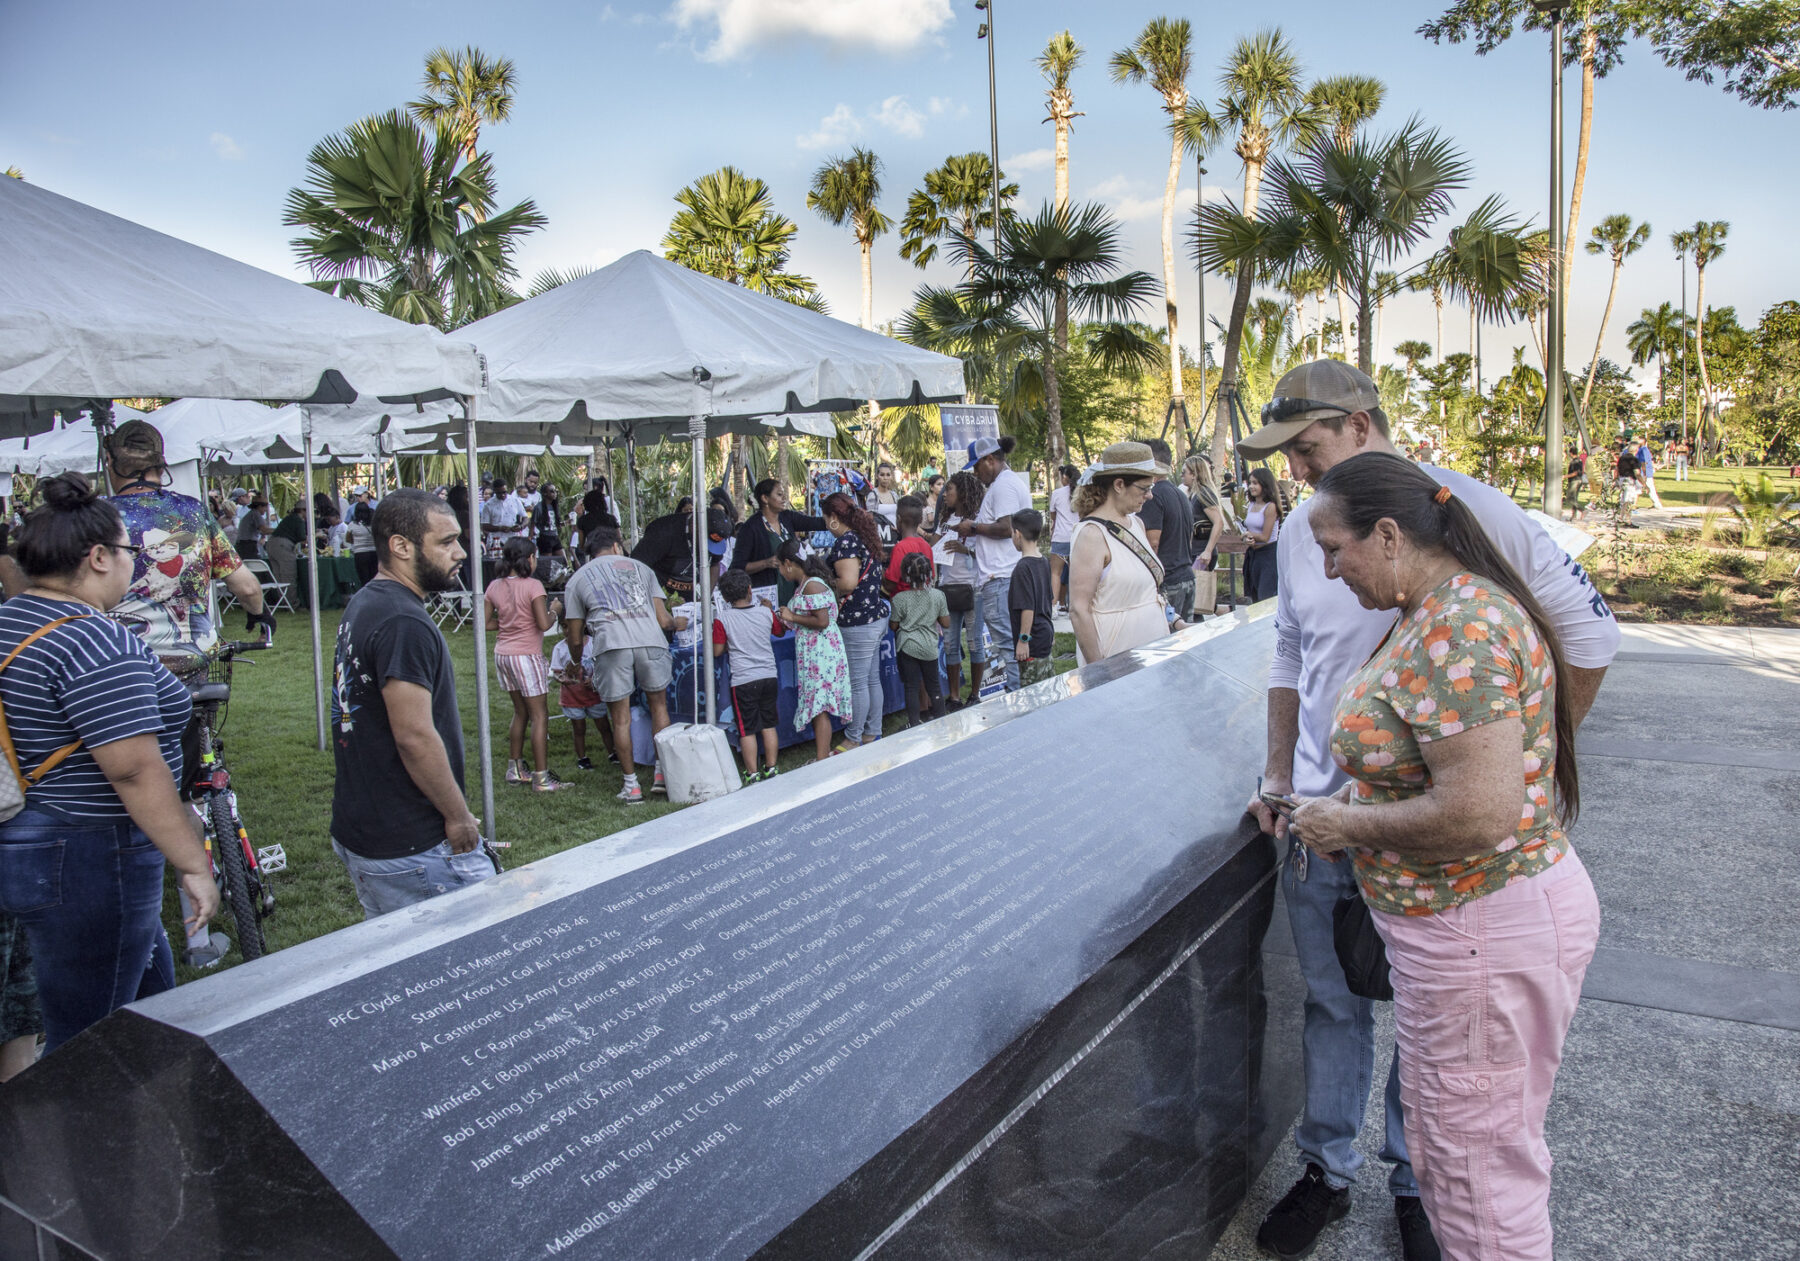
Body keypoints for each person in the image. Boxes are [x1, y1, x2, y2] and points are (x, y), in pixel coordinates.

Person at [1239, 359, 1618, 1261]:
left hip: (1454, 878)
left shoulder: (1465, 537)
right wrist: (1282, 778)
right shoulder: (1318, 529)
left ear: (1362, 425)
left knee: (1456, 1085)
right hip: (1349, 828)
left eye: (1307, 443)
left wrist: (1524, 758)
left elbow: (1588, 634)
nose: (1294, 468)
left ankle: (1415, 1180)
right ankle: (1331, 1170)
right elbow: (1289, 651)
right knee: (1342, 1006)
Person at [0, 473, 217, 1052]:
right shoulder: (95, 639)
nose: (133, 565)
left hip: (35, 839)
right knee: (92, 1041)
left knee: (147, 1010)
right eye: (129, 552)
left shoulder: (12, 620)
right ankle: (89, 1138)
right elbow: (132, 768)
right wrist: (192, 862)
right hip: (94, 849)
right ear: (98, 557)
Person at [331, 490, 495, 918]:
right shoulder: (404, 621)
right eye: (445, 542)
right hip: (412, 840)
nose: (461, 552)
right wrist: (459, 817)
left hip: (370, 826)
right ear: (401, 546)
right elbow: (415, 737)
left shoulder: (368, 602)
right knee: (483, 954)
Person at [2, 419, 278, 655]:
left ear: (109, 461)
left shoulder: (94, 516)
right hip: (191, 657)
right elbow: (247, 588)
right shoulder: (194, 513)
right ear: (162, 465)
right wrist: (259, 613)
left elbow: (41, 591)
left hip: (115, 655)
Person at [563, 527, 676, 804]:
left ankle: (632, 785)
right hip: (650, 640)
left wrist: (576, 661)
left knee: (621, 718)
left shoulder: (577, 579)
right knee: (659, 707)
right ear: (616, 546)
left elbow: (574, 635)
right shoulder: (642, 569)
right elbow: (664, 621)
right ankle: (662, 775)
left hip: (612, 644)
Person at [1067, 442, 1172, 666]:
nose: (1150, 496)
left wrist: (1176, 621)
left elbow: (1148, 590)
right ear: (1119, 485)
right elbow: (1078, 610)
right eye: (1145, 488)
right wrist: (1100, 670)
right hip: (1115, 657)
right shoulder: (1092, 534)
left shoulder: (1137, 524)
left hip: (1153, 652)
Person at [485, 537, 571, 794]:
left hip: (503, 654)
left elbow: (486, 622)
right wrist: (555, 609)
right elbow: (543, 623)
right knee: (539, 715)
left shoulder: (493, 586)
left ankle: (515, 768)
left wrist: (509, 623)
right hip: (526, 656)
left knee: (520, 711)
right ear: (529, 559)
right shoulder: (533, 586)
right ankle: (542, 778)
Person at [956, 435, 1033, 691]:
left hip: (1001, 578)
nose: (976, 473)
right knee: (1010, 645)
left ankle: (1017, 698)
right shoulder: (1005, 484)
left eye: (977, 466)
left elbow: (1006, 527)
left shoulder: (1003, 486)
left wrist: (973, 527)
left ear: (990, 460)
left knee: (1008, 646)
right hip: (1002, 576)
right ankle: (1021, 694)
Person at [821, 491, 889, 752]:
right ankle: (872, 732)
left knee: (858, 682)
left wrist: (826, 584)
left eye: (826, 519)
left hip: (858, 622)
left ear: (835, 518)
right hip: (874, 617)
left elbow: (848, 583)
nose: (826, 525)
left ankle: (853, 737)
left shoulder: (846, 543)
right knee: (871, 679)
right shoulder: (864, 537)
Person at [775, 538, 852, 762]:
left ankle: (821, 760)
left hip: (821, 653)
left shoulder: (812, 585)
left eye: (780, 566)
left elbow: (822, 620)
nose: (780, 572)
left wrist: (791, 616)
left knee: (820, 708)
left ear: (788, 563)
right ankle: (822, 757)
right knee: (819, 707)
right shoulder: (805, 584)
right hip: (815, 652)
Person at [713, 569, 781, 783]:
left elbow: (717, 650)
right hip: (769, 674)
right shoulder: (765, 613)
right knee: (769, 723)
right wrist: (770, 610)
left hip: (743, 679)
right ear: (750, 590)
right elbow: (779, 632)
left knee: (747, 729)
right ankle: (771, 767)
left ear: (724, 598)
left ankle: (752, 772)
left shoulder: (723, 618)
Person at [930, 470, 985, 708]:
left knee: (974, 641)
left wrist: (967, 550)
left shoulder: (978, 521)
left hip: (973, 588)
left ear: (962, 493)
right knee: (951, 643)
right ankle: (954, 696)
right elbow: (933, 548)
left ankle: (975, 693)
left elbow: (986, 554)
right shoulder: (945, 520)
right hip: (947, 588)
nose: (945, 494)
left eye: (949, 490)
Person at [729, 478, 826, 604]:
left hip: (793, 591)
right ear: (765, 498)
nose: (784, 498)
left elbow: (816, 523)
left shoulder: (787, 517)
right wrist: (766, 563)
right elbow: (737, 566)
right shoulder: (750, 528)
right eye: (779, 494)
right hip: (767, 595)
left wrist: (838, 517)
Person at [1140, 439, 1197, 621]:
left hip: (1168, 582)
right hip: (1187, 577)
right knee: (1184, 641)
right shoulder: (1180, 494)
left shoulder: (1153, 496)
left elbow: (1152, 544)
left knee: (1165, 643)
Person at [889, 553, 948, 726]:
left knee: (911, 687)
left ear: (905, 575)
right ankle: (942, 720)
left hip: (908, 647)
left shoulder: (899, 599)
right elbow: (946, 622)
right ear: (930, 573)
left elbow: (894, 626)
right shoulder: (937, 596)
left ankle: (914, 723)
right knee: (934, 686)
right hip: (930, 647)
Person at [1008, 508, 1055, 674]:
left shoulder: (1023, 568)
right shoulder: (1043, 561)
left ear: (1018, 534)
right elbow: (1049, 599)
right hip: (1045, 634)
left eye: (1012, 533)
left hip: (1032, 643)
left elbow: (1027, 608)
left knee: (1033, 694)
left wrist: (1023, 640)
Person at [1183, 454, 1227, 617]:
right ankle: (1220, 611)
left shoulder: (1203, 494)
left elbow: (1219, 522)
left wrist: (1208, 550)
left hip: (1201, 552)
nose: (1182, 476)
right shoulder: (1193, 495)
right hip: (1195, 551)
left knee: (1197, 602)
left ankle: (1222, 612)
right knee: (1196, 603)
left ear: (1194, 474)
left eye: (1185, 472)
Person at [1243, 467, 1284, 603]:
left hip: (1267, 555)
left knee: (1265, 597)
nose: (1251, 486)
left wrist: (1250, 534)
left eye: (1255, 483)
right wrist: (1245, 537)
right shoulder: (1251, 505)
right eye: (1250, 483)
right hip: (1253, 553)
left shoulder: (1270, 507)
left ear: (1264, 484)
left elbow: (1265, 536)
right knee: (1253, 595)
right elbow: (1249, 530)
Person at [882, 495, 934, 596]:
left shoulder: (900, 547)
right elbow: (930, 578)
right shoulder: (926, 546)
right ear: (920, 520)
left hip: (903, 605)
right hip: (923, 602)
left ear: (898, 518)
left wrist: (880, 571)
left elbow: (890, 585)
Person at [1046, 463, 1078, 610]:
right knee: (1076, 573)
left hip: (1060, 537)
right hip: (1078, 537)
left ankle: (1053, 607)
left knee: (1055, 573)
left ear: (1065, 477)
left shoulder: (1057, 494)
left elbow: (1053, 516)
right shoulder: (1082, 492)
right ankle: (1075, 605)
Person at [267, 501, 306, 590]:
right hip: (283, 546)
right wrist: (317, 535)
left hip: (271, 544)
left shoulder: (288, 518)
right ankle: (292, 603)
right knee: (288, 577)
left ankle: (283, 602)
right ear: (303, 511)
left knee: (278, 578)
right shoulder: (298, 520)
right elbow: (302, 538)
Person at [346, 502, 379, 587]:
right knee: (374, 578)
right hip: (374, 553)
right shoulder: (374, 524)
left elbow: (348, 539)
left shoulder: (352, 525)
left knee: (364, 579)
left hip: (360, 554)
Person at [533, 482, 565, 560]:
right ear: (545, 493)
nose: (554, 493)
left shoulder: (554, 506)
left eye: (555, 491)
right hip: (545, 538)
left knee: (563, 561)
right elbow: (533, 523)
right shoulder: (539, 507)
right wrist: (530, 538)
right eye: (551, 491)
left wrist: (562, 523)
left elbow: (554, 522)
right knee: (547, 563)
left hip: (554, 536)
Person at [1613, 439, 1641, 528]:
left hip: (1622, 479)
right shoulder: (1633, 459)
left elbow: (1617, 469)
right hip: (1629, 480)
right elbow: (1637, 473)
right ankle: (1627, 520)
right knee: (1629, 501)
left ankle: (1621, 518)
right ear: (1636, 450)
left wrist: (1616, 479)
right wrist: (1644, 484)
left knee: (1624, 500)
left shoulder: (1622, 458)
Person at [235, 494, 273, 561]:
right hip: (247, 546)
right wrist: (280, 530)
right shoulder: (255, 514)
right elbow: (264, 530)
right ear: (259, 506)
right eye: (265, 507)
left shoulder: (252, 514)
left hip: (243, 545)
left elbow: (262, 531)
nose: (266, 510)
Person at [1635, 435, 1664, 509]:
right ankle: (1656, 504)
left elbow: (1644, 462)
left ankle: (1657, 504)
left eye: (1639, 440)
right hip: (1644, 472)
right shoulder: (1641, 449)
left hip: (1645, 472)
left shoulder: (1643, 450)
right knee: (1648, 488)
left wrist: (1644, 473)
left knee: (1647, 487)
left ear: (1642, 441)